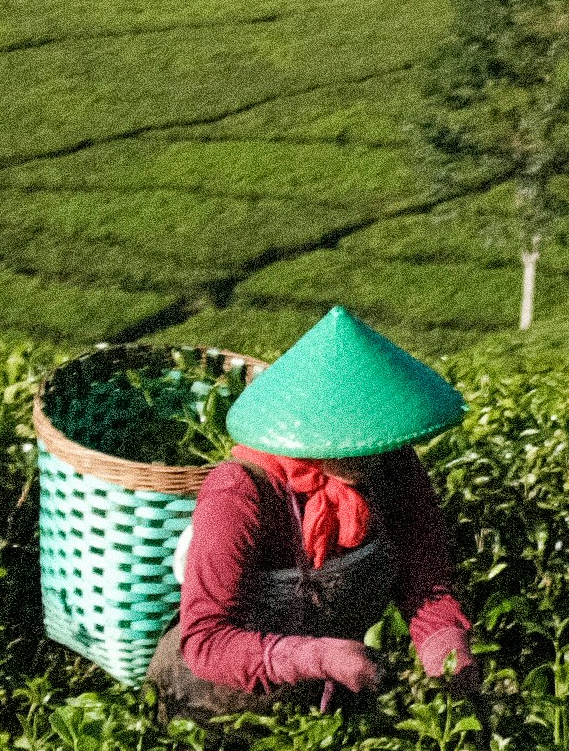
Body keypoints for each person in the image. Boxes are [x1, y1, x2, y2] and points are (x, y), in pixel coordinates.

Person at [154, 306, 474, 715]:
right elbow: (208, 640)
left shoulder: (392, 466)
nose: (364, 455)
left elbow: (423, 575)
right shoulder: (240, 493)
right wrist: (314, 658)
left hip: (326, 695)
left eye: (373, 439)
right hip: (211, 702)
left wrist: (443, 640)